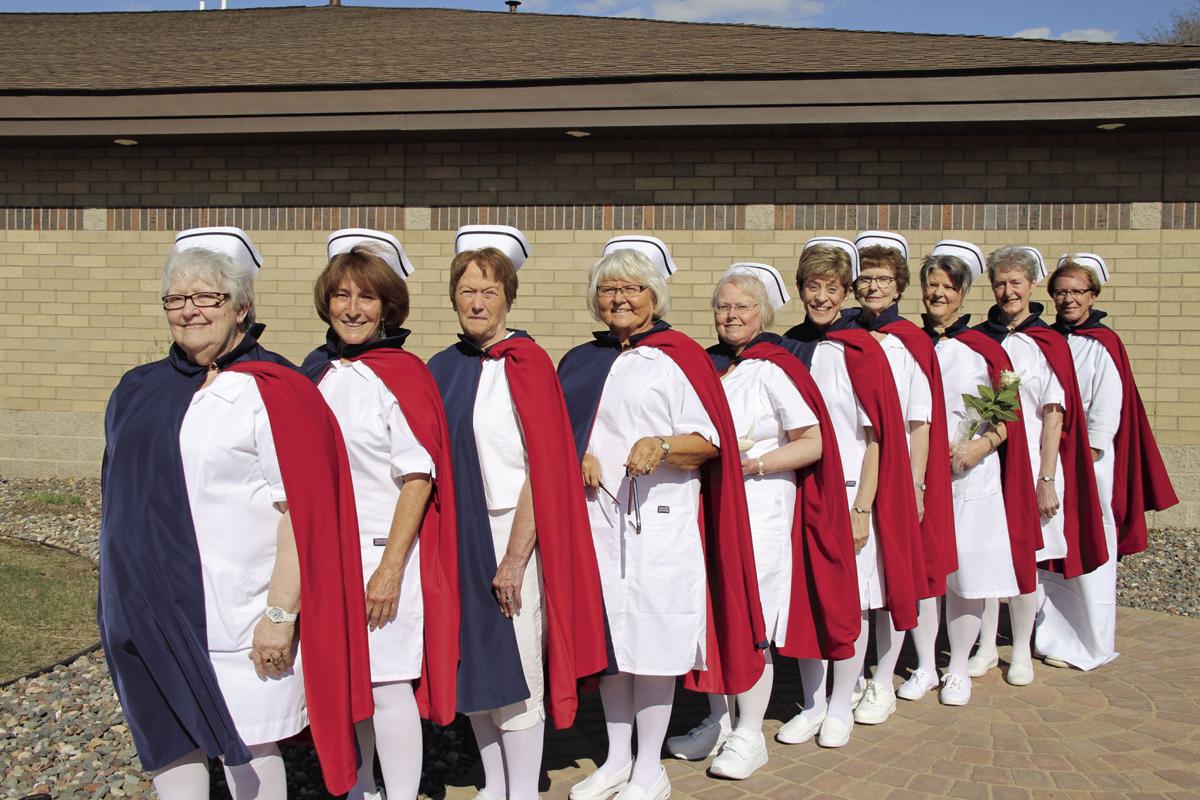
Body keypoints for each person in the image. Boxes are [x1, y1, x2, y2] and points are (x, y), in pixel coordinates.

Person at [98, 227, 372, 799]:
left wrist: (280, 613)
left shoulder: (275, 390)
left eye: (208, 297)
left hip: (240, 610)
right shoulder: (137, 389)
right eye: (177, 299)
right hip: (150, 605)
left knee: (249, 742)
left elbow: (302, 512)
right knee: (169, 735)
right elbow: (119, 501)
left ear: (242, 306)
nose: (190, 310)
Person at [558, 236, 765, 800]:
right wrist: (577, 453)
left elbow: (710, 440)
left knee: (651, 641)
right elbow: (560, 432)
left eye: (632, 287)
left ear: (656, 296)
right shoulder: (580, 361)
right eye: (609, 288)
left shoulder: (680, 356)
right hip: (597, 521)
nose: (619, 297)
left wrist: (664, 444)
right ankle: (617, 758)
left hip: (661, 523)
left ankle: (651, 765)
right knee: (611, 643)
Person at [427, 226, 608, 800]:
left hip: (512, 534)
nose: (476, 302)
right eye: (466, 292)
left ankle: (523, 789)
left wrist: (514, 558)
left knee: (520, 667)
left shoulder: (528, 364)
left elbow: (544, 470)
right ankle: (496, 783)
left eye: (488, 291)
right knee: (474, 666)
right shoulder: (443, 367)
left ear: (509, 297)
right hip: (459, 537)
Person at [669, 262, 856, 779]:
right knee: (713, 614)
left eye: (741, 307)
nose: (730, 315)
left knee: (752, 616)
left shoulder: (774, 367)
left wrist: (751, 464)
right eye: (723, 306)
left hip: (761, 511)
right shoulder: (703, 366)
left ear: (762, 313)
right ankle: (718, 722)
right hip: (706, 509)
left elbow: (813, 442)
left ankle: (751, 732)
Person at [301, 229, 459, 800]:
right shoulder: (316, 371)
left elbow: (419, 477)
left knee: (389, 686)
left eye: (366, 297)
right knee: (351, 682)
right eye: (342, 295)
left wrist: (390, 569)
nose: (352, 308)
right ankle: (362, 788)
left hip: (383, 554)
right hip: (327, 558)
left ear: (388, 307)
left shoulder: (402, 374)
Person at [777, 237, 920, 749]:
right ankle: (814, 703)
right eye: (812, 286)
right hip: (796, 490)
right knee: (806, 599)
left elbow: (880, 435)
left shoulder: (863, 349)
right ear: (800, 290)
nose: (821, 297)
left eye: (831, 288)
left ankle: (842, 703)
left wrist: (864, 508)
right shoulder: (785, 346)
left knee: (852, 602)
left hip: (851, 490)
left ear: (846, 292)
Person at [970, 246, 1107, 686]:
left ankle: (1023, 650)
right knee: (988, 555)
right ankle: (987, 645)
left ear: (1031, 286)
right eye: (1000, 283)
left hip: (1030, 466)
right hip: (987, 463)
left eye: (1016, 283)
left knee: (1025, 559)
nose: (1007, 291)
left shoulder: (1046, 342)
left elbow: (1054, 416)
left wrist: (1046, 479)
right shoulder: (980, 339)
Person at [1035, 253, 1177, 670]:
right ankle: (1051, 634)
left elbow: (1107, 412)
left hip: (1088, 466)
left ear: (1093, 295)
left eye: (1077, 291)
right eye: (1060, 292)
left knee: (1091, 548)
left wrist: (1085, 456)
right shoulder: (1048, 339)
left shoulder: (1104, 343)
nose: (1068, 299)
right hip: (1049, 461)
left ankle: (1091, 641)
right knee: (1054, 550)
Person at [919, 241, 1041, 705]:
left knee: (966, 575)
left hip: (972, 475)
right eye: (932, 286)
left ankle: (957, 669)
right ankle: (926, 665)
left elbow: (1009, 415)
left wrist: (979, 444)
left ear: (964, 293)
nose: (939, 295)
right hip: (924, 477)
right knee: (927, 575)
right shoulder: (911, 344)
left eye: (948, 287)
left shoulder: (987, 349)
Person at [846, 231, 951, 720]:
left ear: (899, 286)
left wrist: (915, 485)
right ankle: (851, 674)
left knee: (889, 582)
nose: (871, 287)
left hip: (894, 477)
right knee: (859, 582)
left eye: (882, 279)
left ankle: (883, 679)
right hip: (852, 471)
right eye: (863, 278)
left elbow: (919, 422)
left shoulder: (908, 342)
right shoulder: (842, 335)